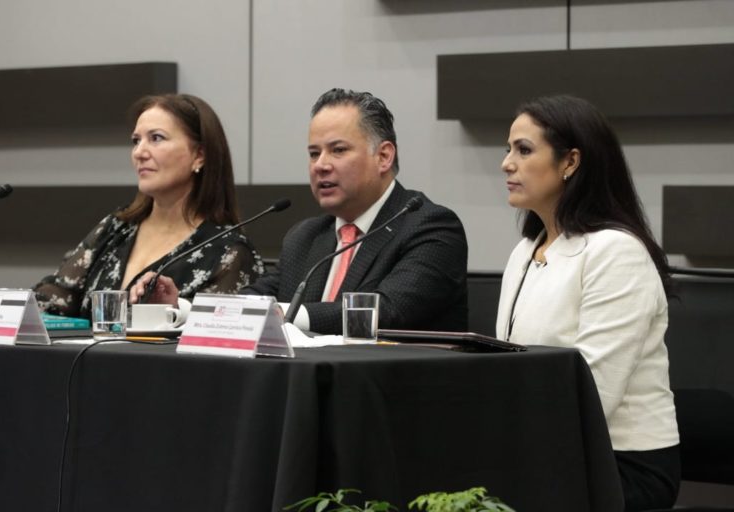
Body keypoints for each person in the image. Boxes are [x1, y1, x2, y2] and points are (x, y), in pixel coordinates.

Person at [132, 88, 468, 334]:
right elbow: (253, 298)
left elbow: (387, 311)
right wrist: (182, 306)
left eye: (337, 150)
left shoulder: (430, 227)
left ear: (384, 156)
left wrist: (282, 315)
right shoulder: (307, 236)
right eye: (313, 153)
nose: (320, 165)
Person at [495, 95, 680, 511]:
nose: (507, 163)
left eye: (523, 150)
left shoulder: (617, 251)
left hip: (620, 464)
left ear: (570, 162)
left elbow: (596, 391)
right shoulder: (526, 250)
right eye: (508, 150)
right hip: (547, 450)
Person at [35, 93, 263, 319]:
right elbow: (56, 297)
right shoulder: (116, 227)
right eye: (136, 140)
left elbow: (215, 336)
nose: (139, 153)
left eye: (156, 138)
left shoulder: (228, 252)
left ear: (199, 155)